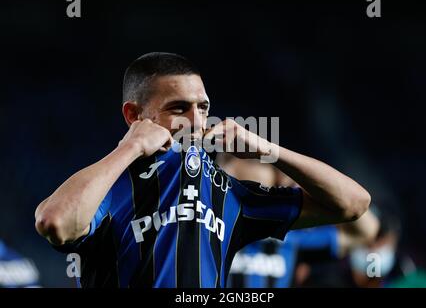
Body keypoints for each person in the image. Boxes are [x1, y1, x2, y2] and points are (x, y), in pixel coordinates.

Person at [34, 52, 371, 287]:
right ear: (134, 115)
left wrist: (269, 150)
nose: (196, 120)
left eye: (203, 107)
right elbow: (55, 223)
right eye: (179, 108)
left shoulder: (229, 192)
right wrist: (130, 147)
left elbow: (353, 203)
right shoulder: (106, 185)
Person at [217, 155, 379, 288]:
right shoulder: (206, 231)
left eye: (264, 193)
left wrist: (302, 181)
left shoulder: (291, 237)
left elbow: (365, 229)